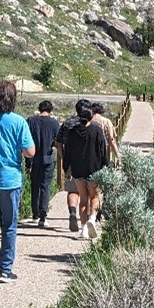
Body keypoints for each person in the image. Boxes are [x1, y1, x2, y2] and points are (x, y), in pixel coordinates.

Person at [0, 81, 35, 282]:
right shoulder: (18, 122)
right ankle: (4, 269)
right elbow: (30, 151)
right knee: (9, 225)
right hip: (10, 180)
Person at [62, 102, 108, 239]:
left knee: (83, 199)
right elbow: (102, 151)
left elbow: (67, 152)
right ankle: (92, 220)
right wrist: (106, 166)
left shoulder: (72, 131)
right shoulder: (97, 130)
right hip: (94, 168)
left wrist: (67, 169)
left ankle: (83, 229)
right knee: (94, 197)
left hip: (78, 169)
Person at [54, 99, 90, 232]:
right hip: (88, 162)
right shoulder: (91, 124)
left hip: (71, 162)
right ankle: (86, 221)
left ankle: (73, 213)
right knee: (88, 192)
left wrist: (63, 157)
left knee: (73, 191)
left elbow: (58, 143)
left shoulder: (67, 124)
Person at [26, 100, 60, 227]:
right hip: (48, 158)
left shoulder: (31, 121)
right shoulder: (54, 123)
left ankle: (35, 214)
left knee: (35, 185)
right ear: (50, 110)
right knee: (45, 186)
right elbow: (58, 140)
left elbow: (27, 142)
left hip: (34, 158)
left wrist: (28, 164)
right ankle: (43, 215)